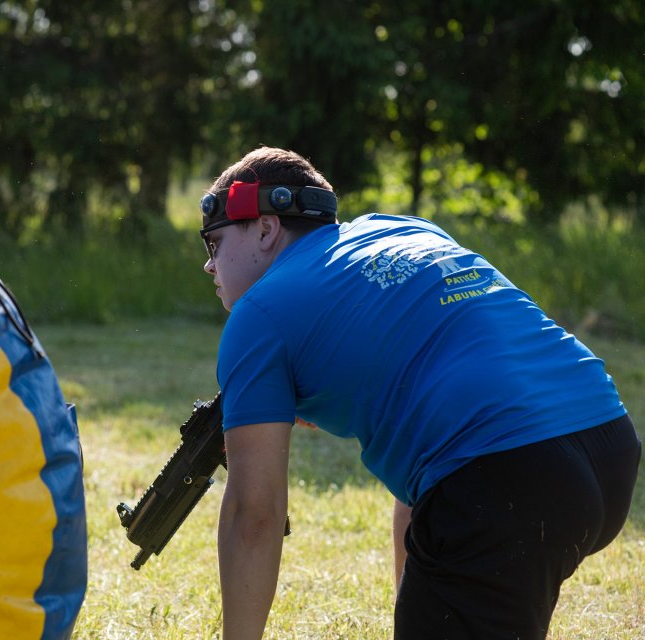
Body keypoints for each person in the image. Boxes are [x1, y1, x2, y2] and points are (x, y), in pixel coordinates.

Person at [198, 146, 641, 639]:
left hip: (509, 484)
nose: (209, 267)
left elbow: (254, 516)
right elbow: (428, 473)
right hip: (608, 444)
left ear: (264, 228)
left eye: (214, 246)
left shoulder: (257, 316)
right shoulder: (402, 229)